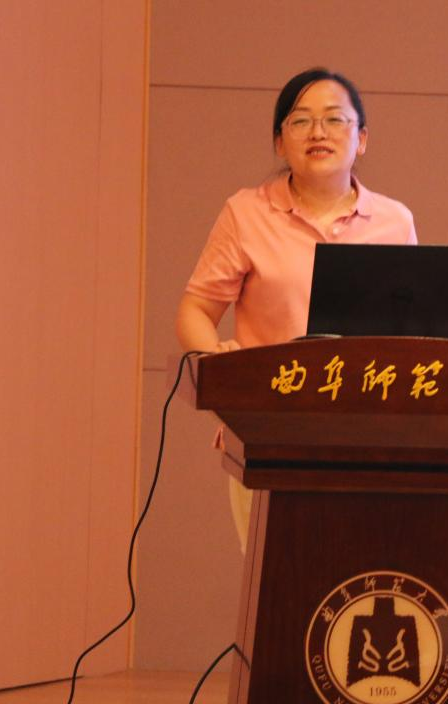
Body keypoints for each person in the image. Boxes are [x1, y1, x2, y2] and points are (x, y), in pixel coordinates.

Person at [175, 68, 418, 548]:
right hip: (267, 432)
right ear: (279, 142)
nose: (318, 132)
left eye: (335, 120)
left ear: (362, 139)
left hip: (369, 439)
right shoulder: (246, 213)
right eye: (301, 121)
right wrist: (220, 364)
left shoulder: (395, 221)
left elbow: (407, 332)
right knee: (276, 585)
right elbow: (194, 310)